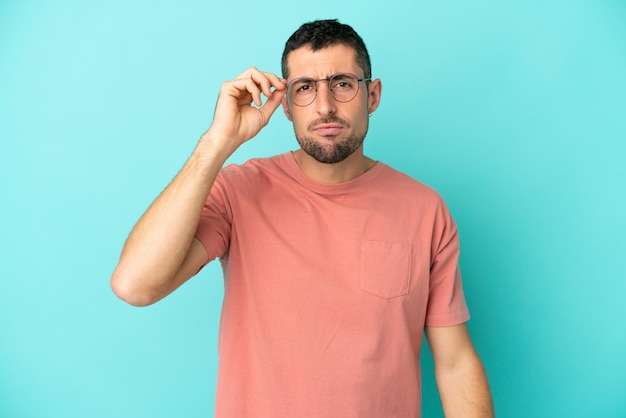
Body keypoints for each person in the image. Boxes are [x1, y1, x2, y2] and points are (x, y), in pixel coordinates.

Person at [111, 19, 494, 418]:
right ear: (287, 106)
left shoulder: (424, 209)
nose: (325, 106)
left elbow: (454, 363)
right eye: (305, 89)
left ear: (373, 95)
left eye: (343, 84)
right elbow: (135, 285)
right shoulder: (238, 192)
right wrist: (217, 143)